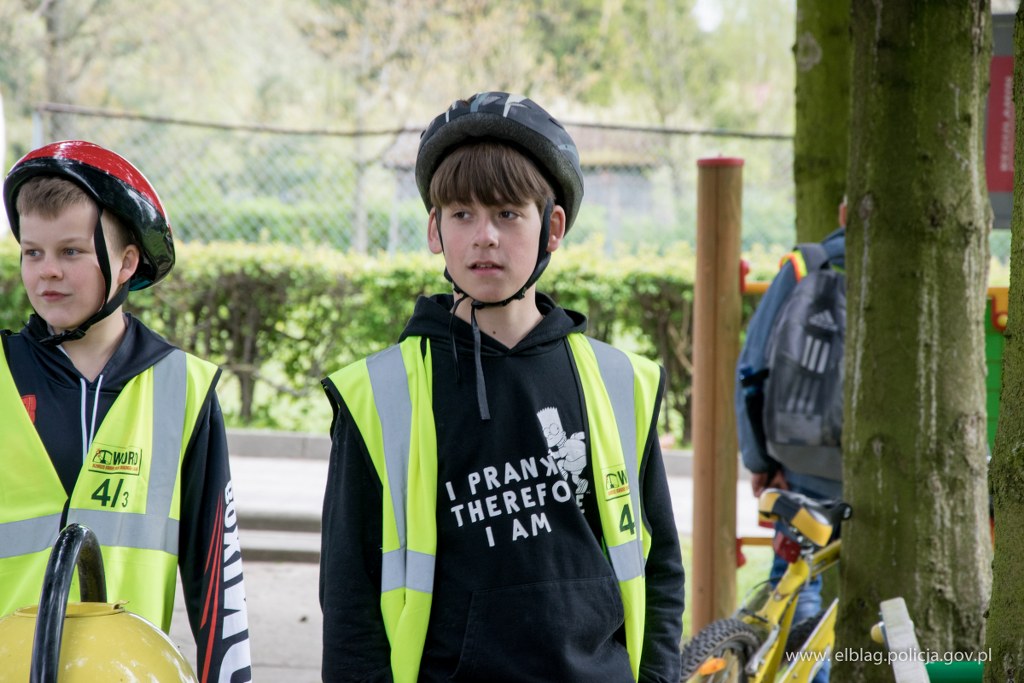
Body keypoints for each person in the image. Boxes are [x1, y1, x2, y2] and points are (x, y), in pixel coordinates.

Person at [319, 92, 685, 683]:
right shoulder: (378, 395)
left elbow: (661, 567)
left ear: (552, 228)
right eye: (462, 214)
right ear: (434, 229)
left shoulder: (621, 382)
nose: (484, 235)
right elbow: (349, 599)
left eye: (509, 213)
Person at [0, 141, 252, 682]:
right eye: (32, 252)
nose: (47, 272)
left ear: (127, 263)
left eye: (71, 252)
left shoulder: (184, 389)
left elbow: (219, 586)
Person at [735, 211, 845, 683]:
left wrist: (761, 461)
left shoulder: (806, 265)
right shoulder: (926, 264)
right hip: (898, 467)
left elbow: (753, 369)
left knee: (798, 583)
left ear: (844, 214)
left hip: (805, 459)